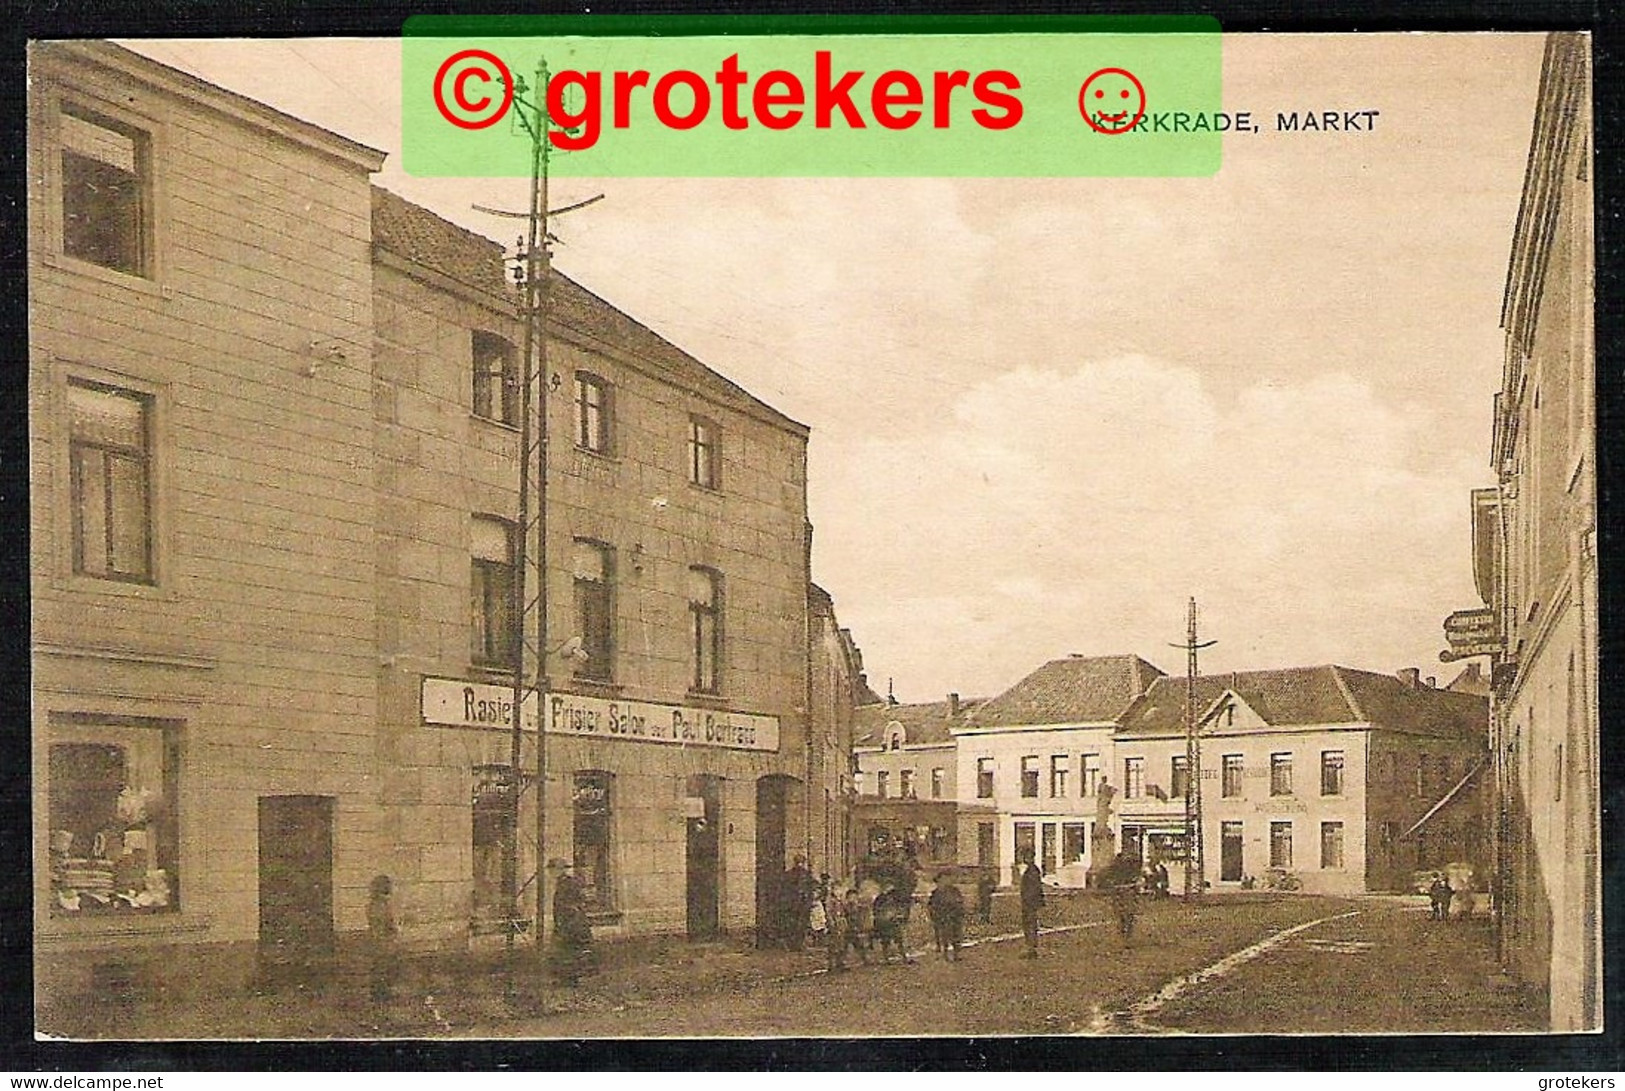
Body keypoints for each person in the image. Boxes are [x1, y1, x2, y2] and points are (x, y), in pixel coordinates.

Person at [549, 859, 594, 985]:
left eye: (553, 870)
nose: (551, 873)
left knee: (569, 949)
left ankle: (571, 978)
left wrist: (568, 918)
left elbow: (578, 900)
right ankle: (567, 977)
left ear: (561, 870)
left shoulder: (569, 883)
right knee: (565, 950)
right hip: (565, 920)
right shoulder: (562, 883)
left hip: (572, 921)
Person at [366, 874, 398, 1004]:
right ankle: (381, 994)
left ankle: (379, 993)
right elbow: (386, 923)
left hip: (378, 939)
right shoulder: (381, 905)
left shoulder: (373, 904)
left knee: (380, 966)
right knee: (383, 966)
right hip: (383, 940)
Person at [927, 872, 966, 961]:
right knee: (945, 935)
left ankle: (956, 954)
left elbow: (960, 901)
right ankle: (945, 954)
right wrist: (935, 915)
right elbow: (932, 905)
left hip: (955, 916)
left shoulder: (955, 890)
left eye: (947, 878)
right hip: (944, 916)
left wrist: (961, 911)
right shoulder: (936, 892)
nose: (946, 881)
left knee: (957, 935)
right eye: (943, 879)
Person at [872, 881, 913, 964]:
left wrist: (899, 915)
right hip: (884, 922)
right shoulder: (880, 899)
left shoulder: (895, 897)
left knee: (899, 939)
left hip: (893, 921)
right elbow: (876, 910)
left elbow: (899, 907)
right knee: (886, 941)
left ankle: (903, 956)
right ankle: (886, 958)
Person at [1106, 851, 1141, 942]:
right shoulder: (1117, 870)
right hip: (1122, 894)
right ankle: (1125, 931)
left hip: (1125, 894)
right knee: (1124, 913)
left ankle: (1126, 931)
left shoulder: (1128, 870)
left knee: (1126, 913)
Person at [784, 855, 814, 951]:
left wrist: (809, 901)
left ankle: (798, 944)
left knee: (801, 925)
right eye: (798, 862)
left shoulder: (807, 875)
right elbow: (785, 890)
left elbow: (811, 889)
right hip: (794, 904)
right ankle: (793, 944)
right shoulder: (789, 874)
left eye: (801, 862)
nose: (800, 865)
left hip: (802, 904)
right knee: (794, 924)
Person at [1019, 852, 1045, 959]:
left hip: (1030, 903)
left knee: (1030, 924)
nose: (1024, 858)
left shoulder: (1032, 871)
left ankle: (1031, 948)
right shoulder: (1030, 870)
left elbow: (1034, 889)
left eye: (1026, 856)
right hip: (1029, 902)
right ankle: (1030, 947)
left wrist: (1028, 901)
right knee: (1028, 924)